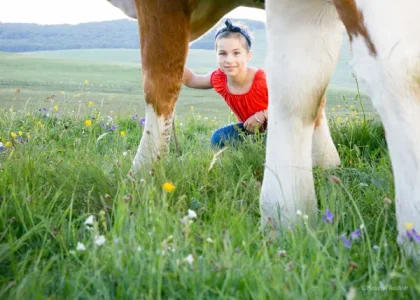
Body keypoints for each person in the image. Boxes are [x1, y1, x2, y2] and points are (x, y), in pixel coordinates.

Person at [182, 19, 268, 148]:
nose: (229, 60)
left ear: (248, 55)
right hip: (250, 131)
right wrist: (170, 60)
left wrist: (262, 115)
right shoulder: (219, 78)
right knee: (218, 138)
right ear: (216, 55)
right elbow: (191, 80)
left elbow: (289, 106)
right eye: (222, 53)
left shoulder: (263, 79)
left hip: (281, 130)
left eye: (236, 53)